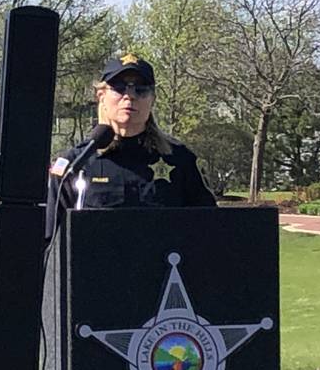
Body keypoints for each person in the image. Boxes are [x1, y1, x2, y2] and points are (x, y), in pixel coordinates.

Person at [45, 53, 215, 237]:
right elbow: (51, 242)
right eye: (119, 88)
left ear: (153, 99)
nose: (130, 96)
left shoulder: (180, 159)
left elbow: (210, 230)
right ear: (101, 96)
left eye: (141, 89)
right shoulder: (74, 164)